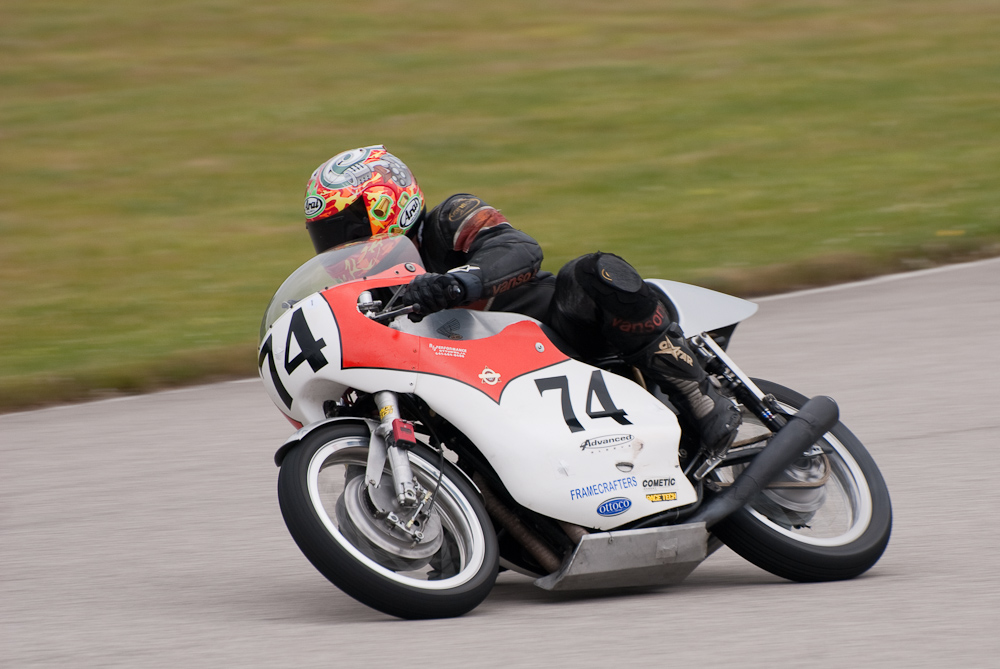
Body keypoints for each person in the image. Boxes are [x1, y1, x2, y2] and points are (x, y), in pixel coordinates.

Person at [302, 145, 740, 457]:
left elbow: (518, 248)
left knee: (591, 269)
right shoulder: (368, 292)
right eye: (326, 237)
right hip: (485, 382)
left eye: (346, 228)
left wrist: (458, 283)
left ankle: (697, 394)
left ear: (386, 205)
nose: (337, 247)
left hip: (558, 335)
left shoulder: (450, 218)